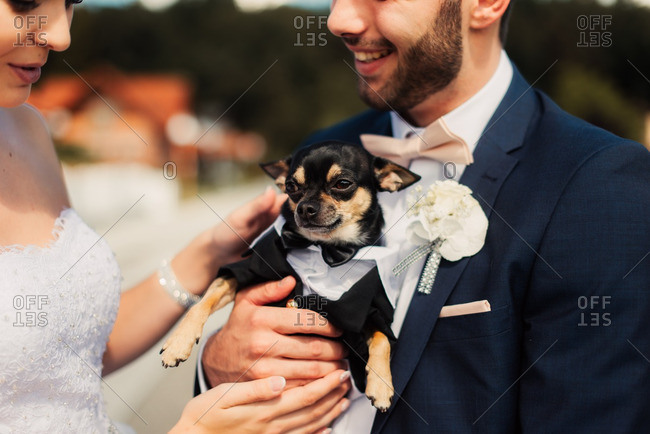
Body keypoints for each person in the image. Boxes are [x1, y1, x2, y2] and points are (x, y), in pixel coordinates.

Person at [200, 0, 650, 432]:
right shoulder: (321, 152)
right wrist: (215, 368)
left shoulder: (597, 184)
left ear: (488, 3)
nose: (339, 19)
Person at [0, 0, 350, 432]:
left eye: (71, 4)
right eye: (25, 3)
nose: (60, 36)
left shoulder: (26, 128)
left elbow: (59, 357)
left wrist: (207, 255)